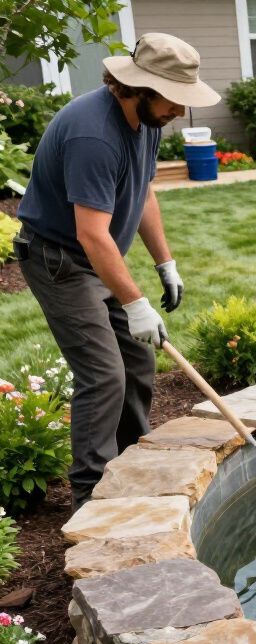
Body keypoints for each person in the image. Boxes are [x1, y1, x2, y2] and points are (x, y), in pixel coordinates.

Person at [14, 33, 219, 512]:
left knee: (138, 361)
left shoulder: (147, 120)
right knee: (104, 375)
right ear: (142, 88)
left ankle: (130, 461)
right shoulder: (93, 134)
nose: (180, 112)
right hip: (59, 259)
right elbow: (91, 235)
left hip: (95, 256)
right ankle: (92, 493)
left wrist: (164, 263)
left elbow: (144, 192)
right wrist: (135, 302)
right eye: (175, 99)